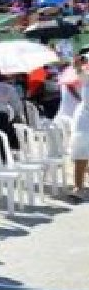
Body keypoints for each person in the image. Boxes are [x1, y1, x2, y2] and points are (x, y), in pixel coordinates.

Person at [68, 56, 89, 199]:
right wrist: (77, 63)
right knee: (81, 154)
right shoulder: (87, 78)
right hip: (84, 120)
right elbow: (78, 70)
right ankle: (78, 187)